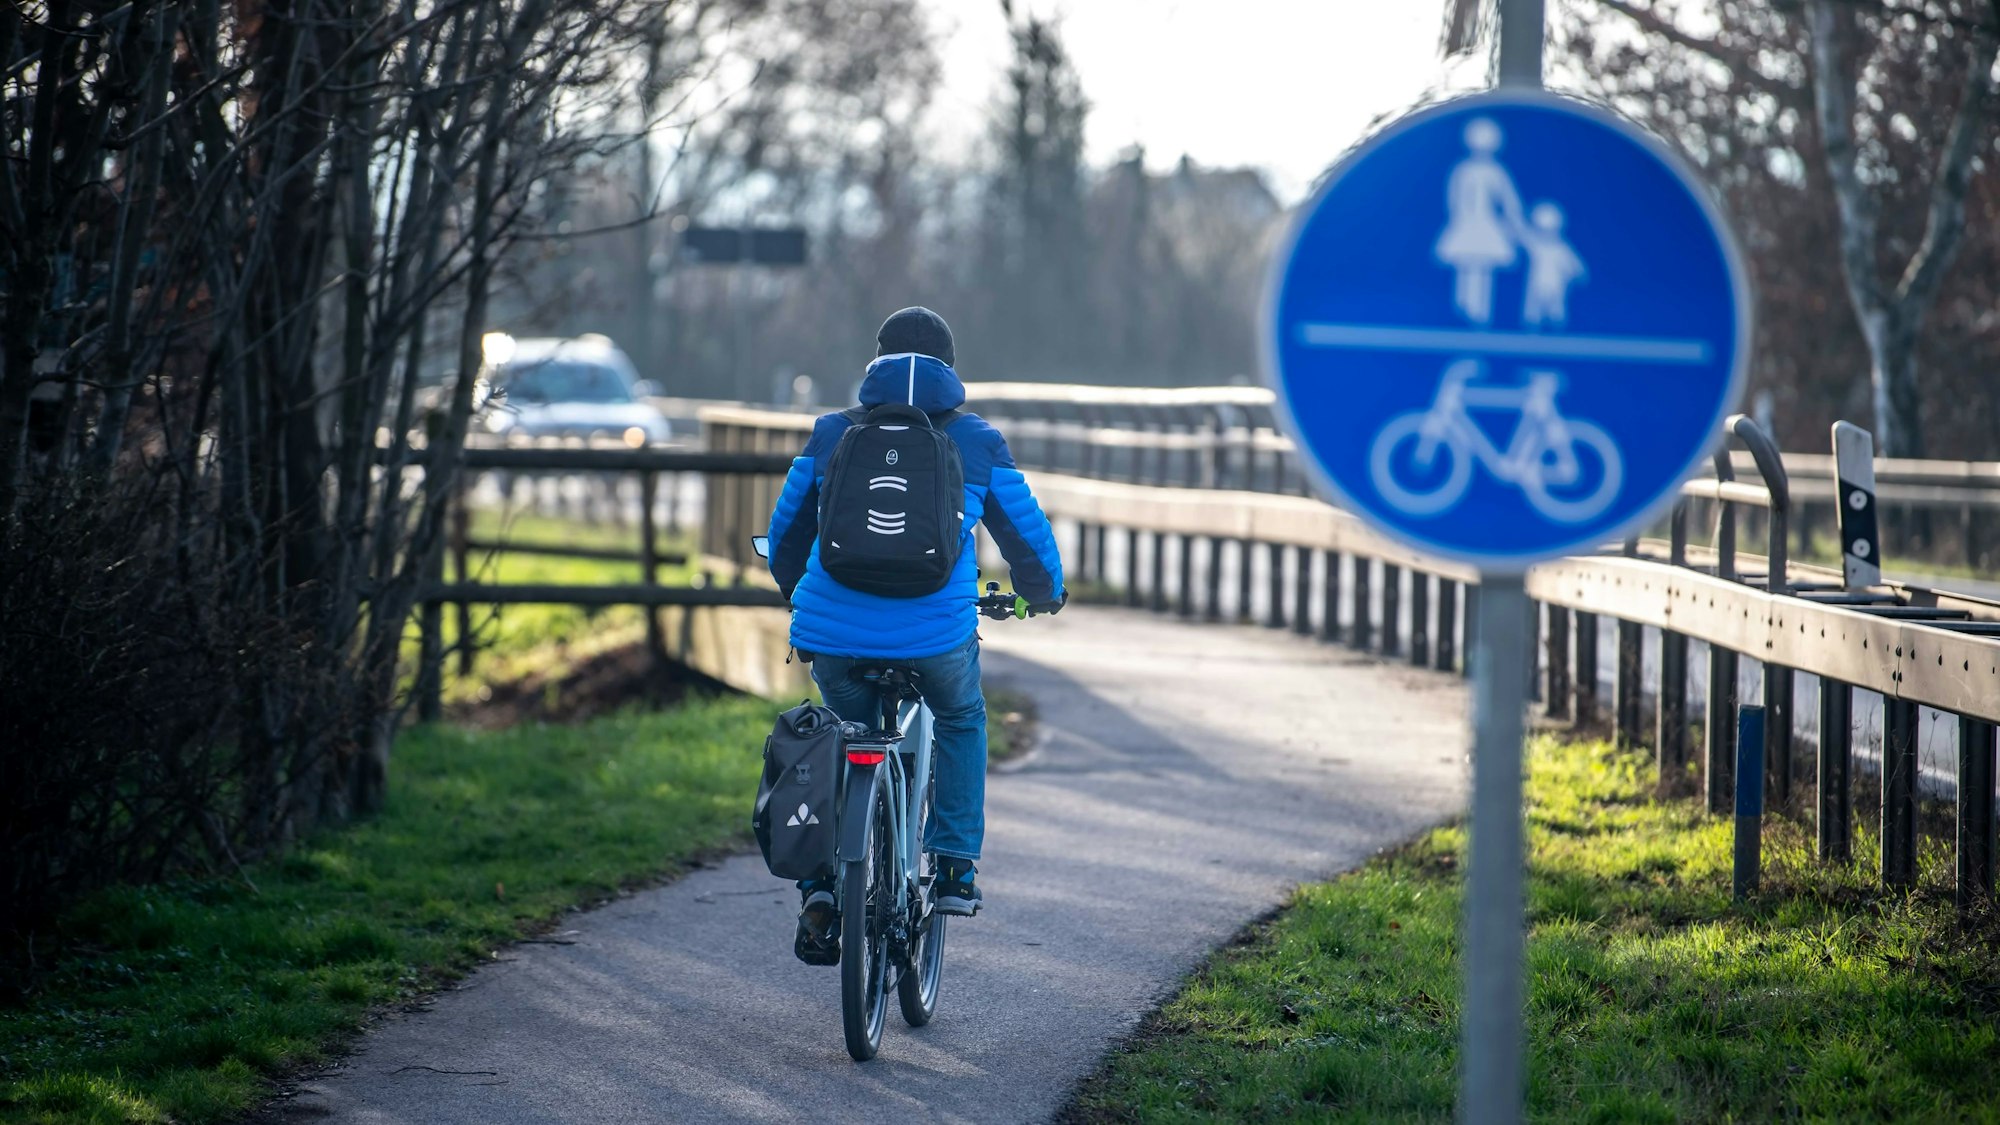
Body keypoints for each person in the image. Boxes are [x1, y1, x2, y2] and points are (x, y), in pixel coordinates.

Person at [765, 306, 1066, 959]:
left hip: (834, 637)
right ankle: (954, 864)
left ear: (875, 363)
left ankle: (821, 885)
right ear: (950, 371)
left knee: (842, 736)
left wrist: (797, 594)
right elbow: (1027, 536)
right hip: (935, 637)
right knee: (961, 716)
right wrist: (1045, 593)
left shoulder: (832, 432)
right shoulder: (978, 441)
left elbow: (785, 532)